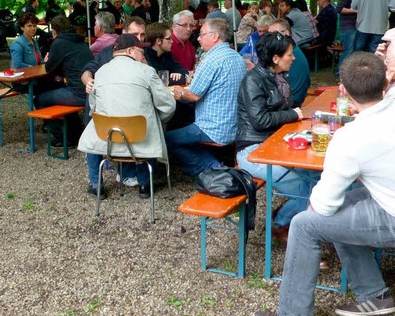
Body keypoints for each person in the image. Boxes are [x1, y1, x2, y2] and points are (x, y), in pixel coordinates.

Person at [251, 52, 395, 316]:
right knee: (340, 205)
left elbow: (323, 205)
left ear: (343, 91)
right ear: (385, 84)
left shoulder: (350, 138)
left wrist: (317, 207)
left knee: (304, 224)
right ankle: (373, 294)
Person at [237, 32, 319, 236]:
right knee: (304, 190)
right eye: (289, 55)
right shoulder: (253, 80)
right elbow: (259, 120)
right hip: (253, 150)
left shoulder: (278, 77)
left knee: (317, 178)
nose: (293, 58)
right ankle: (283, 226)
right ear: (275, 59)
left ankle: (286, 220)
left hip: (275, 145)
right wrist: (292, 114)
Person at [78, 34, 176, 199]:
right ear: (130, 51)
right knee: (152, 126)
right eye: (141, 51)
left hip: (107, 140)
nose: (144, 54)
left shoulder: (100, 72)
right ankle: (145, 184)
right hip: (140, 139)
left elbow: (93, 107)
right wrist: (159, 120)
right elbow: (168, 105)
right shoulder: (146, 71)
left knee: (92, 129)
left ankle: (96, 185)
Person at [167, 19, 246, 176]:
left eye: (201, 34)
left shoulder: (211, 60)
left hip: (213, 128)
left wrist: (179, 92)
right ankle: (214, 165)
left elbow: (193, 95)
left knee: (166, 139)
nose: (198, 38)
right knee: (184, 129)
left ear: (214, 36)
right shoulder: (236, 56)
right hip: (235, 124)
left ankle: (211, 169)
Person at [36, 15, 93, 146]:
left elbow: (49, 68)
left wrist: (47, 60)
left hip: (78, 93)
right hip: (88, 89)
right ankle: (75, 133)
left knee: (40, 99)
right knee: (58, 93)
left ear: (54, 31)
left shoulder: (59, 42)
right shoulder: (79, 40)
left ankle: (62, 137)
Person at [268, 19, 310, 108]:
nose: (269, 39)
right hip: (290, 102)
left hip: (290, 106)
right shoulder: (292, 50)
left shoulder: (290, 57)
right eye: (268, 35)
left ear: (286, 33)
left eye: (274, 35)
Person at [336, 0, 361, 74]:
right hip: (347, 27)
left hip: (354, 26)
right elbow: (339, 9)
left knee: (352, 51)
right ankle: (340, 72)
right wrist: (356, 11)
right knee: (348, 51)